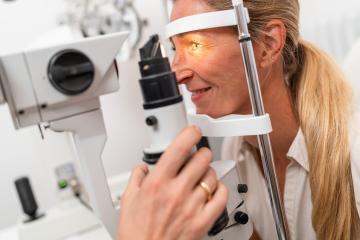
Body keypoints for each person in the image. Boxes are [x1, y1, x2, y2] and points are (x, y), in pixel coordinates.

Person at [117, 0, 360, 239]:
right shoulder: (237, 150)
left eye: (195, 44)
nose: (177, 74)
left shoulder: (354, 148)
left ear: (268, 44)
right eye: (174, 49)